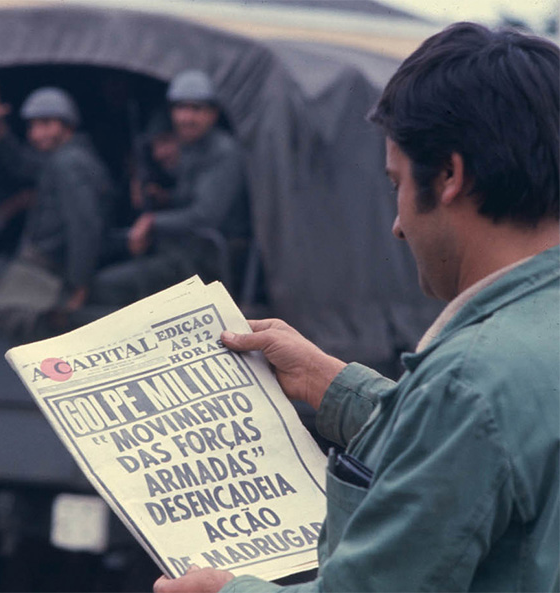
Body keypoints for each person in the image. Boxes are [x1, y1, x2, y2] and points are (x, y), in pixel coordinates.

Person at [154, 22, 559, 593]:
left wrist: (222, 591)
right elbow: (480, 447)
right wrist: (330, 382)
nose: (397, 226)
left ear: (448, 176)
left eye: (395, 184)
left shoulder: (468, 383)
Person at [0, 73, 110, 319]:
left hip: (48, 272)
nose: (37, 134)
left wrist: (78, 285)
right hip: (41, 266)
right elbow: (21, 163)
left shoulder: (70, 163)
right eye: (33, 126)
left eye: (46, 123)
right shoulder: (63, 158)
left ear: (68, 125)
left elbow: (84, 227)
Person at [92, 70, 248, 304]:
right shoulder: (193, 148)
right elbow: (191, 198)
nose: (186, 117)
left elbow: (206, 215)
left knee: (106, 286)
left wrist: (152, 221)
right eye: (180, 108)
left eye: (196, 109)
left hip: (207, 258)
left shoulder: (224, 152)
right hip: (184, 251)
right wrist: (165, 198)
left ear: (213, 114)